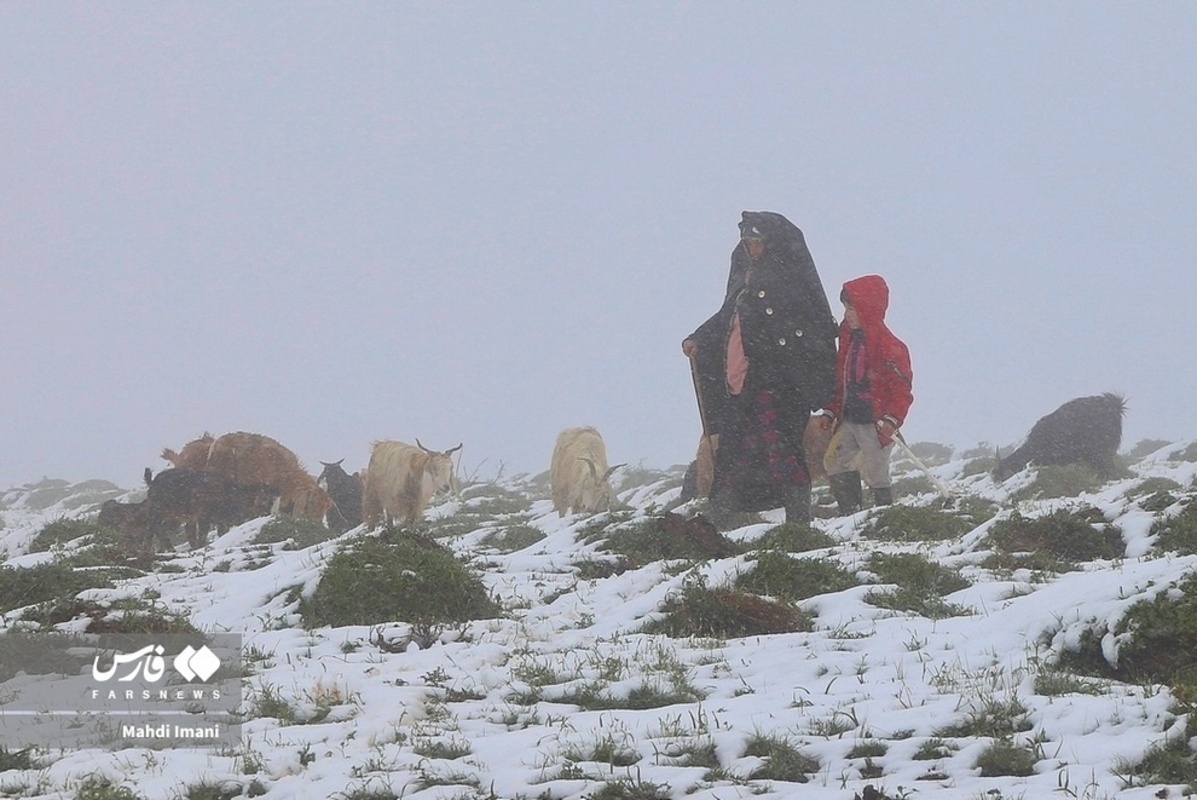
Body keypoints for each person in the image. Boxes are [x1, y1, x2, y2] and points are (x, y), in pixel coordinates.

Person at [682, 211, 838, 525]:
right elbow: (727, 316)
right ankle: (722, 518)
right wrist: (698, 338)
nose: (752, 248)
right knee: (734, 452)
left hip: (779, 386)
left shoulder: (791, 281)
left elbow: (806, 330)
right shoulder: (744, 277)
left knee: (782, 451)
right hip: (742, 385)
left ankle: (798, 521)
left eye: (756, 241)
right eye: (747, 242)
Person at [816, 274, 913, 514]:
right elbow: (841, 383)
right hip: (849, 419)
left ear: (868, 308)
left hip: (876, 424)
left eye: (852, 307)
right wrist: (831, 410)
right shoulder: (848, 344)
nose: (847, 313)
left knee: (876, 473)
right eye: (846, 308)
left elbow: (902, 390)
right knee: (834, 461)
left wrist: (892, 419)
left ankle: (884, 514)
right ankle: (851, 513)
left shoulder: (891, 347)